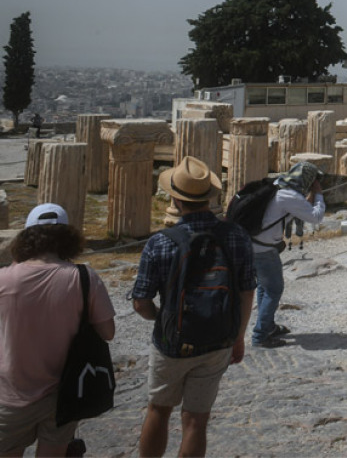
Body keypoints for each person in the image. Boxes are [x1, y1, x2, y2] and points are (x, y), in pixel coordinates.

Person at [131, 156, 256, 458]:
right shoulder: (236, 235)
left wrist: (164, 318)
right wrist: (238, 336)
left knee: (159, 410)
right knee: (197, 421)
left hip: (172, 342)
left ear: (175, 198)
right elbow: (246, 291)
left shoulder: (160, 242)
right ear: (209, 196)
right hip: (218, 340)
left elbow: (141, 302)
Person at [0, 204, 116, 458]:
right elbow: (108, 332)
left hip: (9, 393)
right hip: (63, 392)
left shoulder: (4, 278)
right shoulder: (84, 278)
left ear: (26, 237)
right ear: (68, 238)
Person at [250, 162, 325, 348]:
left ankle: (267, 326)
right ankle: (260, 336)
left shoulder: (279, 186)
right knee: (274, 290)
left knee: (264, 287)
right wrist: (320, 194)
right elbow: (315, 217)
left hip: (254, 244)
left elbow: (300, 209)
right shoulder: (289, 195)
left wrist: (312, 195)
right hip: (264, 249)